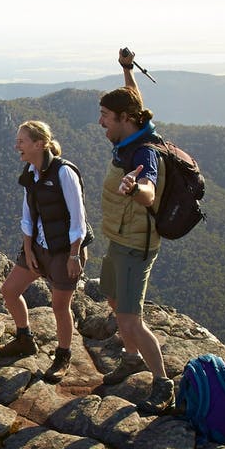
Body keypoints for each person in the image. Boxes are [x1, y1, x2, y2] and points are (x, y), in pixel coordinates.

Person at [97, 48, 174, 413]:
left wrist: (135, 188)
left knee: (131, 318)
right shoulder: (133, 130)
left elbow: (150, 191)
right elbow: (135, 100)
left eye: (106, 117)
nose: (101, 123)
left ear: (126, 120)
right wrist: (128, 70)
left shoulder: (143, 153)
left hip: (134, 246)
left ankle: (162, 383)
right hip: (117, 240)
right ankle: (130, 358)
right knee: (112, 298)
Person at [0, 121, 87, 382]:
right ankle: (24, 338)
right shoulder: (31, 173)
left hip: (64, 251)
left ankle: (63, 355)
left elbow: (78, 219)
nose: (16, 146)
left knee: (60, 306)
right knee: (9, 291)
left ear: (39, 144)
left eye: (21, 141)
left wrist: (74, 255)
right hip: (37, 247)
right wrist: (28, 249)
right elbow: (27, 216)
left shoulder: (64, 173)